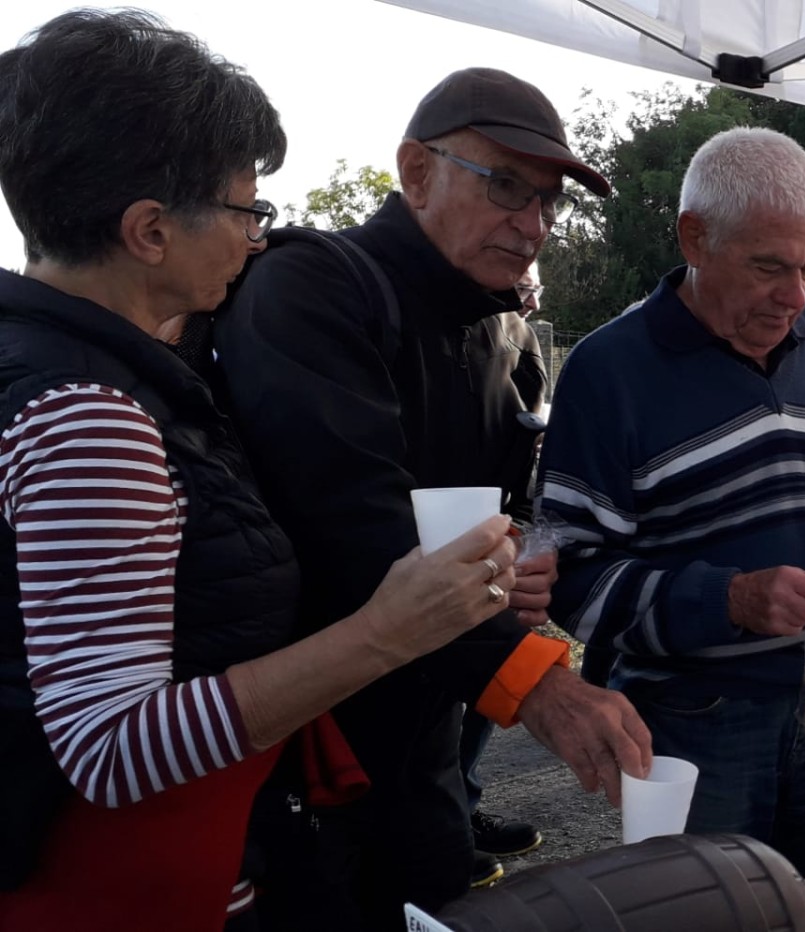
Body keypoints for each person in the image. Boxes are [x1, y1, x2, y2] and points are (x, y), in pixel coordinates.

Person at [0, 11, 517, 930]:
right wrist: (386, 632)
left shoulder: (68, 368)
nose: (257, 239)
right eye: (246, 209)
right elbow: (111, 747)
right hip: (122, 897)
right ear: (150, 230)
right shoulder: (90, 417)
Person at [214, 68, 652, 927]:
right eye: (506, 187)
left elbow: (488, 515)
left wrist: (510, 563)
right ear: (416, 172)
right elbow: (358, 526)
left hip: (427, 752)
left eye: (548, 203)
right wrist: (540, 683)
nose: (533, 225)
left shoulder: (501, 329)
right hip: (305, 758)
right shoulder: (308, 287)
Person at [539, 126, 805, 878]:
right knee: (703, 910)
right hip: (693, 725)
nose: (796, 296)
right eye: (769, 266)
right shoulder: (607, 370)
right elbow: (572, 577)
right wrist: (729, 599)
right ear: (695, 237)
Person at [457, 268, 552, 887]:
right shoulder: (431, 320)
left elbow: (526, 434)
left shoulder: (521, 333)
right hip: (428, 531)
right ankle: (442, 820)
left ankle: (461, 803)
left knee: (486, 674)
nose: (527, 285)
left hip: (495, 525)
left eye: (534, 280)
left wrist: (519, 525)